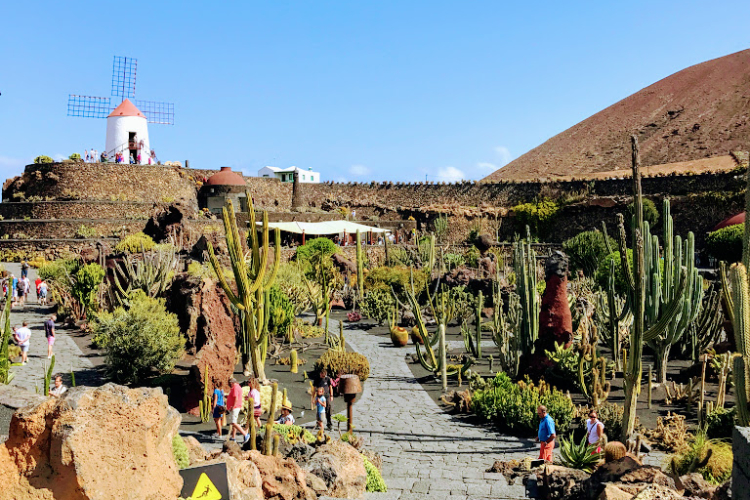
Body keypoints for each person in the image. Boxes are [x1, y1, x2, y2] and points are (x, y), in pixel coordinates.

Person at [226, 377, 250, 443]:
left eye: (229, 384)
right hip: (236, 407)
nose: (229, 385)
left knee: (233, 422)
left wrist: (233, 406)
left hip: (235, 407)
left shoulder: (235, 388)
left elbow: (236, 398)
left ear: (232, 383)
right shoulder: (238, 387)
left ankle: (245, 434)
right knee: (234, 422)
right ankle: (233, 437)